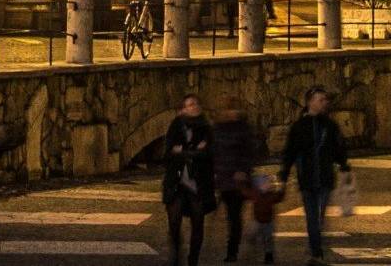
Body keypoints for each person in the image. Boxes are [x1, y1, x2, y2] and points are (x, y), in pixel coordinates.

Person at [131, 94, 223, 266]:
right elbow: (167, 154)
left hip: (198, 184)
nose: (193, 107)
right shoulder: (176, 126)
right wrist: (194, 151)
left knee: (198, 222)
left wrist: (184, 152)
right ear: (183, 109)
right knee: (174, 222)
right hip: (177, 183)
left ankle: (193, 259)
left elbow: (210, 154)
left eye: (195, 104)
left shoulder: (206, 128)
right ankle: (176, 255)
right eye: (189, 105)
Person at [279, 88, 351, 264]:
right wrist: (284, 174)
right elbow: (290, 152)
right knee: (312, 218)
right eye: (320, 100)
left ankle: (315, 251)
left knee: (318, 218)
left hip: (325, 178)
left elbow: (337, 148)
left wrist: (343, 165)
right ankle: (316, 252)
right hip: (308, 179)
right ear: (310, 102)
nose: (323, 103)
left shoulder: (329, 125)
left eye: (324, 100)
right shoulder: (299, 126)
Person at [208, 101, 272, 262]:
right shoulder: (217, 129)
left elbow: (250, 153)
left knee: (235, 217)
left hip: (238, 181)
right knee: (231, 216)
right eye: (229, 109)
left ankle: (232, 251)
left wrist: (243, 170)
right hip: (223, 179)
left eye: (235, 109)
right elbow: (214, 153)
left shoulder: (244, 129)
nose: (232, 113)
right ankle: (232, 249)